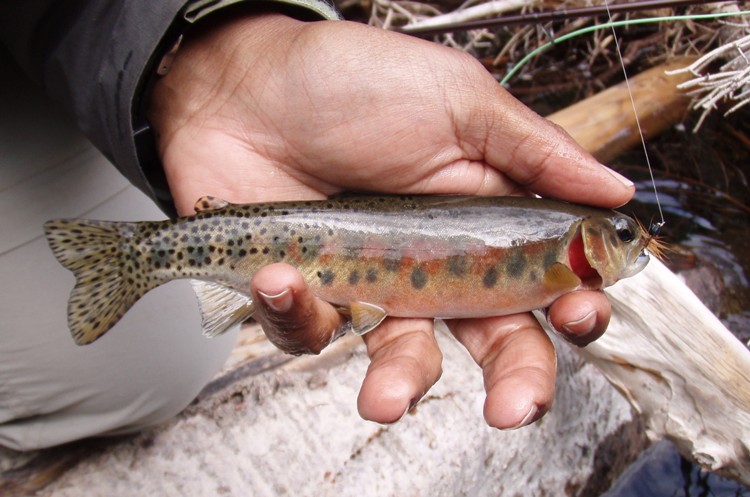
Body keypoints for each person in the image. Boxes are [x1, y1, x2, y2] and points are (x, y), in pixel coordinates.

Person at [0, 1, 634, 451]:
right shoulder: (558, 258)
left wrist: (214, 53)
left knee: (167, 366)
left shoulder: (558, 249)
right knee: (131, 375)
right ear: (589, 246)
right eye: (626, 238)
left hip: (69, 34)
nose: (634, 246)